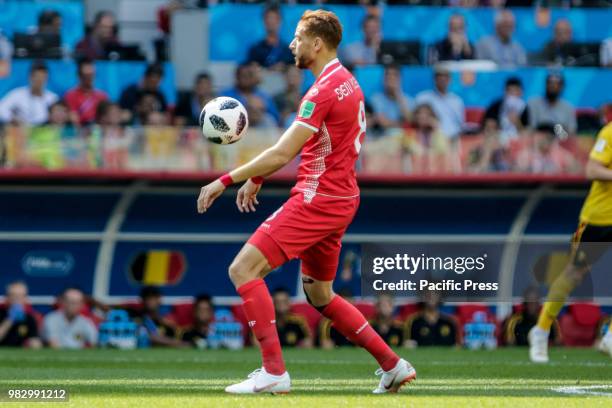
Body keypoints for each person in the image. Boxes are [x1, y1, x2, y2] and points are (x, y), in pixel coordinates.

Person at [197, 9, 416, 395]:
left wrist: (225, 179)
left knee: (243, 270)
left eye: (297, 38)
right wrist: (259, 175)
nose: (291, 44)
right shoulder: (346, 81)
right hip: (342, 197)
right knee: (320, 294)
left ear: (316, 43)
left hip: (318, 198)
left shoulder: (323, 90)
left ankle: (274, 372)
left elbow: (284, 152)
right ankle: (393, 364)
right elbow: (304, 144)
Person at [529, 121, 612, 362]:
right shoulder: (609, 132)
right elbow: (592, 170)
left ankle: (609, 337)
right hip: (598, 219)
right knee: (575, 274)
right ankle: (541, 330)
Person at [403, 104, 456, 174]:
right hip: (415, 172)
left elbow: (441, 148)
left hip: (436, 171)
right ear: (415, 116)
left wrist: (436, 128)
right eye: (420, 113)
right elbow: (414, 150)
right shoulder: (410, 133)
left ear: (432, 117)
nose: (423, 116)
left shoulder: (437, 133)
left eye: (426, 114)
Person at [0, 61, 58, 125]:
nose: (39, 81)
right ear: (30, 77)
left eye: (43, 78)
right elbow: (1, 109)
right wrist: (12, 118)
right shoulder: (18, 94)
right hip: (20, 130)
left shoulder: (53, 98)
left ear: (46, 79)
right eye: (37, 77)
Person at [415, 66, 465, 140]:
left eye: (445, 77)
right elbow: (414, 118)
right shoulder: (423, 97)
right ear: (434, 79)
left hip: (452, 139)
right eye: (439, 76)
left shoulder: (457, 100)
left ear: (450, 80)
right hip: (430, 138)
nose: (442, 79)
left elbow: (461, 125)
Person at [514, 124, 580, 174]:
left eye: (547, 137)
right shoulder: (527, 154)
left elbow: (577, 169)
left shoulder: (560, 153)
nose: (542, 140)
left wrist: (564, 170)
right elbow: (516, 172)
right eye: (540, 137)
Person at [482, 77, 529, 143]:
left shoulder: (525, 108)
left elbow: (528, 131)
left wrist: (518, 123)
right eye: (510, 91)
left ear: (521, 92)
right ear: (505, 92)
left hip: (519, 140)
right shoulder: (496, 105)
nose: (512, 94)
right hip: (498, 139)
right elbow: (488, 125)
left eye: (515, 90)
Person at [65, 58, 108, 125]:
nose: (90, 79)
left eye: (92, 75)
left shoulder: (102, 96)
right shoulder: (71, 95)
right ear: (79, 75)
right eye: (86, 76)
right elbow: (73, 117)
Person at [0, 281, 42, 348]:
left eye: (20, 296)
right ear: (7, 297)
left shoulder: (29, 318)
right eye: (13, 295)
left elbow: (35, 341)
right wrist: (10, 319)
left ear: (25, 298)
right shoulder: (1, 313)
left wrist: (33, 344)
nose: (16, 299)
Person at [370, 64, 412, 129]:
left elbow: (410, 122)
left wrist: (398, 95)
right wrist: (401, 124)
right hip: (381, 136)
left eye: (395, 76)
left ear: (400, 80)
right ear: (383, 80)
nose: (391, 79)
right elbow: (382, 122)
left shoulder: (408, 99)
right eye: (388, 76)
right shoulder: (375, 98)